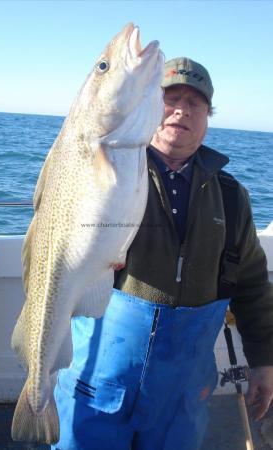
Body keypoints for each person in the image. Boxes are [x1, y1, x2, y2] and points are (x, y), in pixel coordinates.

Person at [52, 57, 273, 450]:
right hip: (97, 382)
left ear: (208, 115)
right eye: (170, 98)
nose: (181, 111)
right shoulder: (111, 173)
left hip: (183, 396)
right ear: (149, 106)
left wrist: (264, 362)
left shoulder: (231, 197)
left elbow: (253, 285)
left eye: (195, 102)